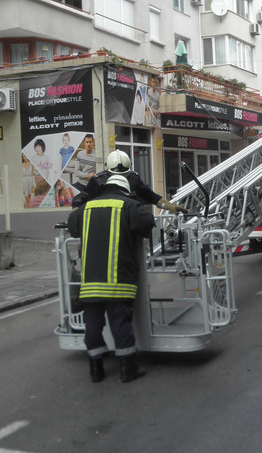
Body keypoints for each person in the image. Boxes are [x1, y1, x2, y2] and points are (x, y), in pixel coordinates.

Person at [68, 174, 156, 383]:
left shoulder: (86, 208)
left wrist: (78, 206)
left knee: (93, 326)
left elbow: (72, 226)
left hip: (90, 284)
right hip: (118, 281)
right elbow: (147, 223)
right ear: (125, 190)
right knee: (120, 324)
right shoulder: (128, 205)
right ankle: (127, 369)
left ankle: (96, 369)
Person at [71, 149, 187, 214]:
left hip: (129, 223)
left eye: (123, 175)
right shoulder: (97, 181)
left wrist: (169, 206)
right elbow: (81, 197)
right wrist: (76, 211)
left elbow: (150, 196)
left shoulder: (133, 179)